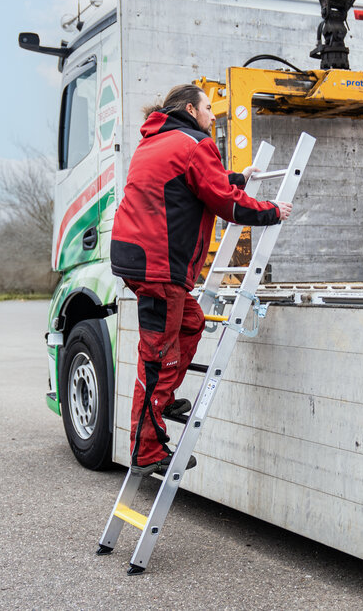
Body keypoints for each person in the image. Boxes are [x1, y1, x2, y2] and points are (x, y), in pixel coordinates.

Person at [110, 84, 292, 475]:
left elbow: (192, 180)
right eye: (209, 109)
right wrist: (271, 211)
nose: (213, 116)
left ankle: (164, 398)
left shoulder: (156, 140)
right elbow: (222, 201)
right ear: (191, 109)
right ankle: (146, 450)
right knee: (155, 357)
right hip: (160, 268)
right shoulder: (195, 142)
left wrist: (238, 177)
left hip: (135, 259)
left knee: (191, 322)